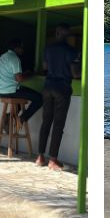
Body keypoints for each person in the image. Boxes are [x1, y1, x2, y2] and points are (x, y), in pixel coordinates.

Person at [36, 25, 80, 170]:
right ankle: (53, 160)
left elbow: (45, 67)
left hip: (48, 87)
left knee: (46, 121)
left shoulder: (48, 48)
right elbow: (75, 73)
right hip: (62, 88)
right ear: (68, 35)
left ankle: (40, 157)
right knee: (58, 124)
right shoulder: (71, 51)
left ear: (56, 33)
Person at [0, 38, 42, 127]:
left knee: (22, 97)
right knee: (40, 98)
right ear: (16, 48)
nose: (22, 50)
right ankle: (23, 118)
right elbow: (19, 79)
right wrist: (32, 74)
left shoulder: (3, 56)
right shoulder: (15, 59)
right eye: (22, 48)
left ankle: (9, 117)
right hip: (10, 91)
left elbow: (12, 75)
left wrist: (25, 73)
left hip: (1, 91)